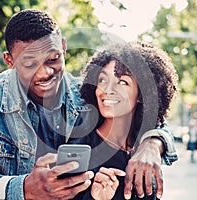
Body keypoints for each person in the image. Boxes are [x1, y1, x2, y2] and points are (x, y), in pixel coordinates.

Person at [0, 9, 177, 199]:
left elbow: (144, 113)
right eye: (30, 63)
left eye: (53, 59)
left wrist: (152, 143)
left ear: (62, 47)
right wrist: (25, 189)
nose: (45, 73)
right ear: (9, 61)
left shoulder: (87, 93)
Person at [70, 42, 178, 200]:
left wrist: (154, 144)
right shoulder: (80, 152)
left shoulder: (146, 150)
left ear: (143, 94)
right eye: (102, 80)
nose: (108, 89)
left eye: (122, 82)